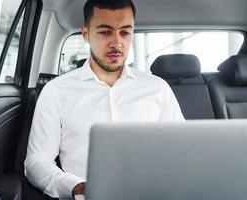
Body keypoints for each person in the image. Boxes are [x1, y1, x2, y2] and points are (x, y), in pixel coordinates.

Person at [24, 0, 185, 199]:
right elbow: (36, 161)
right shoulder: (56, 91)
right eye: (105, 32)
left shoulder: (158, 88)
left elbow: (180, 152)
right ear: (86, 35)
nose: (117, 43)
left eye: (125, 32)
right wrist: (74, 186)